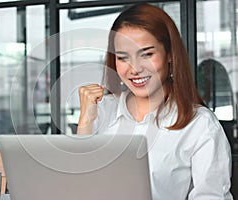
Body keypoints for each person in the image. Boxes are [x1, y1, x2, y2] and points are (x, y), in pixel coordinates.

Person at [77, 3, 233, 199]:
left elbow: (211, 196)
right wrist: (84, 124)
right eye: (123, 57)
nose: (134, 69)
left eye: (147, 54)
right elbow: (77, 187)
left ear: (169, 54)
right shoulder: (102, 110)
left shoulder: (199, 124)